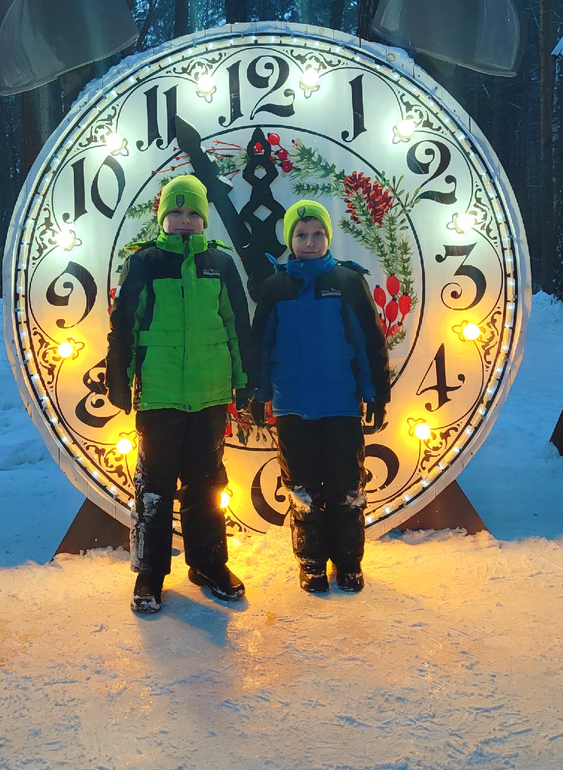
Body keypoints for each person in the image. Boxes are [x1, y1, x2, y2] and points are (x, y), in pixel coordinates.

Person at [106, 174, 253, 614]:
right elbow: (124, 325)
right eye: (176, 212)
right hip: (160, 397)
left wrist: (244, 381)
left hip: (208, 398)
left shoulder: (221, 264)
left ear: (204, 218)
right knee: (155, 488)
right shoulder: (145, 263)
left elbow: (236, 326)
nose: (185, 221)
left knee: (207, 485)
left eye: (193, 213)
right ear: (162, 217)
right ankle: (150, 573)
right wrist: (120, 378)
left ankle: (208, 564)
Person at [246, 199, 390, 593]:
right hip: (292, 407)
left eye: (317, 234)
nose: (309, 241)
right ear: (290, 240)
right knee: (303, 489)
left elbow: (368, 343)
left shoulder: (347, 282)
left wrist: (375, 393)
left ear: (328, 238)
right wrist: (258, 394)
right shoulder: (275, 288)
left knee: (346, 486)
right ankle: (310, 561)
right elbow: (263, 346)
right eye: (301, 235)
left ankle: (348, 562)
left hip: (340, 405)